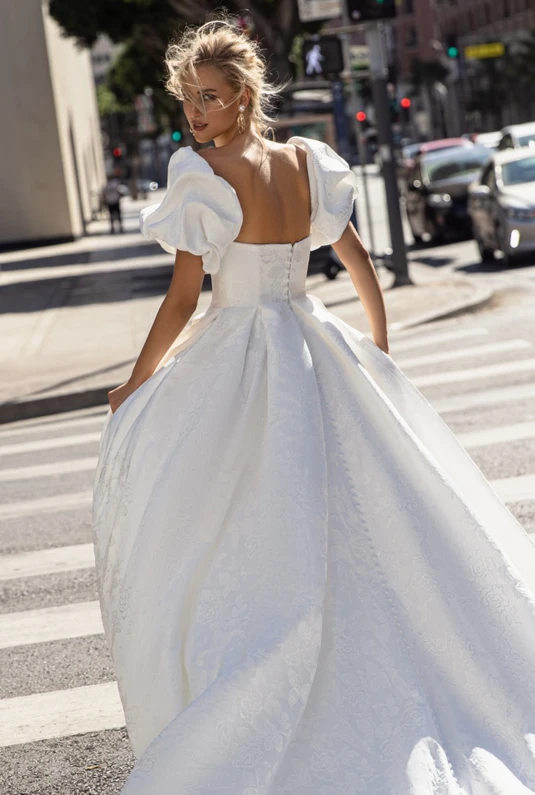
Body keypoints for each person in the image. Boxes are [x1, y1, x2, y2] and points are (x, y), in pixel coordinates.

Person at [92, 17, 535, 795]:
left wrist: (137, 381)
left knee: (233, 516)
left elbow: (184, 297)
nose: (194, 112)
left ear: (242, 95)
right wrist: (375, 345)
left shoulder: (200, 171)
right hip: (315, 340)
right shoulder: (307, 161)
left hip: (242, 351)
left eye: (208, 97)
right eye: (187, 98)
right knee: (360, 512)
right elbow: (357, 259)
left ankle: (271, 652)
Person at [102, 167, 124, 233]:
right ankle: (119, 228)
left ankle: (114, 228)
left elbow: (104, 194)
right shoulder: (115, 183)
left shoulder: (107, 185)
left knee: (112, 216)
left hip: (111, 201)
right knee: (117, 215)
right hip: (115, 201)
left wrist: (105, 201)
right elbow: (119, 191)